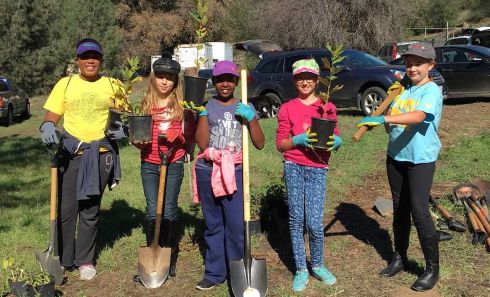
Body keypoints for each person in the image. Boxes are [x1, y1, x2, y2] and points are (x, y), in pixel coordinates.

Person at [357, 42, 443, 292]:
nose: (412, 67)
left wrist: (383, 117)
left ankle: (431, 269)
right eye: (409, 63)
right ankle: (399, 257)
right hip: (396, 156)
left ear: (430, 65)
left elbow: (417, 117)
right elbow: (394, 115)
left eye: (418, 63)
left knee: (419, 211)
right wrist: (387, 119)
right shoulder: (401, 89)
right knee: (399, 209)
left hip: (420, 159)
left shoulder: (431, 91)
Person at [39, 38, 125, 280]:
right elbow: (50, 116)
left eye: (95, 56)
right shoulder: (65, 85)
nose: (90, 60)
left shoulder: (112, 84)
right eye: (85, 56)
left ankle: (85, 260)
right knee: (67, 209)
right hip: (70, 154)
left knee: (90, 209)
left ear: (101, 60)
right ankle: (64, 259)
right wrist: (47, 127)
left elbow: (121, 118)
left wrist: (122, 129)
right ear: (77, 60)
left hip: (100, 155)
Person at [192, 60, 265, 290]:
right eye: (220, 79)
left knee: (235, 224)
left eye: (229, 79)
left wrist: (251, 119)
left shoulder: (245, 106)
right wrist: (202, 115)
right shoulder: (208, 107)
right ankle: (215, 273)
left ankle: (237, 271)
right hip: (208, 171)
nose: (225, 83)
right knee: (213, 224)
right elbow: (203, 144)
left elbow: (260, 143)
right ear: (213, 82)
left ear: (236, 81)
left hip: (234, 172)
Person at [275, 59, 342, 292]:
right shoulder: (287, 108)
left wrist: (337, 141)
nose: (305, 81)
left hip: (317, 168)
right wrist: (297, 140)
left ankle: (318, 264)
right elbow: (280, 144)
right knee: (296, 220)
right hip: (293, 166)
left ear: (317, 80)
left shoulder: (326, 107)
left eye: (310, 77)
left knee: (314, 222)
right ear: (295, 80)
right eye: (300, 77)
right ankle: (301, 269)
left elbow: (335, 133)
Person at [131, 53, 192, 279]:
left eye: (170, 78)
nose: (164, 82)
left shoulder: (182, 106)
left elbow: (190, 134)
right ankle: (152, 248)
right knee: (151, 208)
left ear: (176, 81)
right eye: (161, 77)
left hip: (173, 162)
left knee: (168, 208)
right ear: (154, 79)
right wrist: (138, 141)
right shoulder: (146, 104)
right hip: (149, 162)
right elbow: (140, 135)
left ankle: (168, 251)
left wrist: (182, 139)